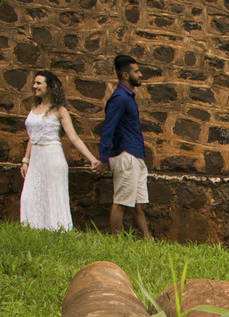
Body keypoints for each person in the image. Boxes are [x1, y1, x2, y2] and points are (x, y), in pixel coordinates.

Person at [19, 70, 99, 231]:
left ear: (50, 86)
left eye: (39, 83)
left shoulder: (59, 110)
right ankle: (32, 230)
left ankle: (57, 231)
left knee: (53, 195)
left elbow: (74, 137)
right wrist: (25, 160)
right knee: (29, 196)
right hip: (36, 160)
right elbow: (32, 137)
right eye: (34, 83)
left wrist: (92, 158)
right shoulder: (34, 108)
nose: (35, 86)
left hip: (52, 156)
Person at [94, 54, 150, 238]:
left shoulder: (127, 97)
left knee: (139, 205)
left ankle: (149, 242)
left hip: (136, 155)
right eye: (136, 71)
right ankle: (115, 242)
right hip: (126, 155)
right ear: (125, 75)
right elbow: (108, 128)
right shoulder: (119, 98)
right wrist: (103, 158)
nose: (140, 74)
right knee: (121, 203)